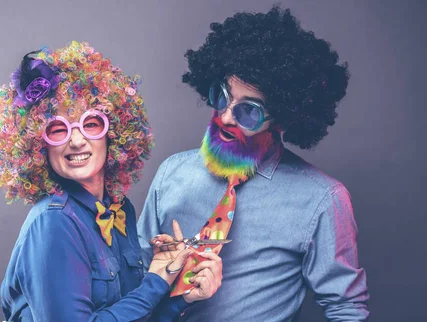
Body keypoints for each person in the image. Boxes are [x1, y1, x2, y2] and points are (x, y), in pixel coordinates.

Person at [137, 6, 369, 322]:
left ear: (283, 120)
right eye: (221, 96)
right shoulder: (171, 173)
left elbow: (347, 309)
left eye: (249, 111)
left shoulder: (323, 200)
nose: (226, 116)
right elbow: (133, 275)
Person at [0, 41, 222, 322]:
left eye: (91, 124)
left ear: (114, 132)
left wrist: (180, 294)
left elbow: (133, 316)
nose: (76, 140)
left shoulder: (120, 210)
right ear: (38, 145)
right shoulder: (53, 223)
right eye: (58, 129)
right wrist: (155, 283)